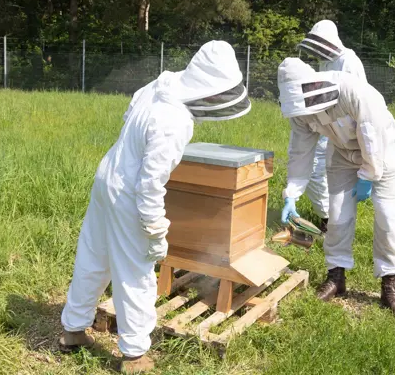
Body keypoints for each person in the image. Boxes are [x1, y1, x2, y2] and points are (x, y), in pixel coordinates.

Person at [58, 41, 251, 373]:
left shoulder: (162, 84)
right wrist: (155, 232)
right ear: (209, 90)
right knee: (136, 272)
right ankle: (134, 356)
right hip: (129, 192)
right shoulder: (175, 121)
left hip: (108, 176)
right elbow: (149, 185)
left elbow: (129, 117)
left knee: (94, 256)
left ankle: (73, 330)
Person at [277, 57, 395, 317]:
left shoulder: (353, 92)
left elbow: (373, 138)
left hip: (384, 152)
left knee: (387, 217)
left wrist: (368, 175)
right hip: (343, 156)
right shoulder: (300, 113)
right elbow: (300, 152)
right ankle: (336, 276)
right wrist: (292, 193)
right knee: (336, 216)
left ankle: (389, 281)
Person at [292, 20, 368, 231]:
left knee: (329, 171)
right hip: (326, 122)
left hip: (346, 127)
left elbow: (360, 102)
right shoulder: (325, 62)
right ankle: (329, 218)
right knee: (319, 169)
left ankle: (333, 221)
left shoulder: (349, 62)